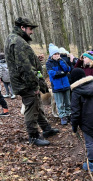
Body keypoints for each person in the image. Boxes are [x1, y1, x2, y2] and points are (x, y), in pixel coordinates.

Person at [5, 17, 59, 146]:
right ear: (22, 28)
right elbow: (24, 68)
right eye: (30, 29)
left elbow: (23, 61)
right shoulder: (18, 42)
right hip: (26, 84)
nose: (32, 32)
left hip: (23, 82)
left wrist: (35, 59)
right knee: (31, 108)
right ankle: (33, 136)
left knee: (37, 105)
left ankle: (46, 129)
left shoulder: (13, 39)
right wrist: (33, 85)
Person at [70, 68, 93, 172]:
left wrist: (74, 125)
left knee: (89, 142)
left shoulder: (76, 92)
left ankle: (91, 163)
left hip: (86, 121)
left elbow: (75, 111)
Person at [46, 43, 71, 125]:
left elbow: (67, 69)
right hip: (57, 87)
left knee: (68, 102)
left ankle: (68, 114)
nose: (57, 55)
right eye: (55, 54)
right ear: (52, 55)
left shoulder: (62, 60)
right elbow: (52, 74)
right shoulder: (49, 63)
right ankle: (62, 116)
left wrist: (60, 61)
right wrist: (62, 73)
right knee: (60, 103)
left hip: (66, 85)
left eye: (58, 53)